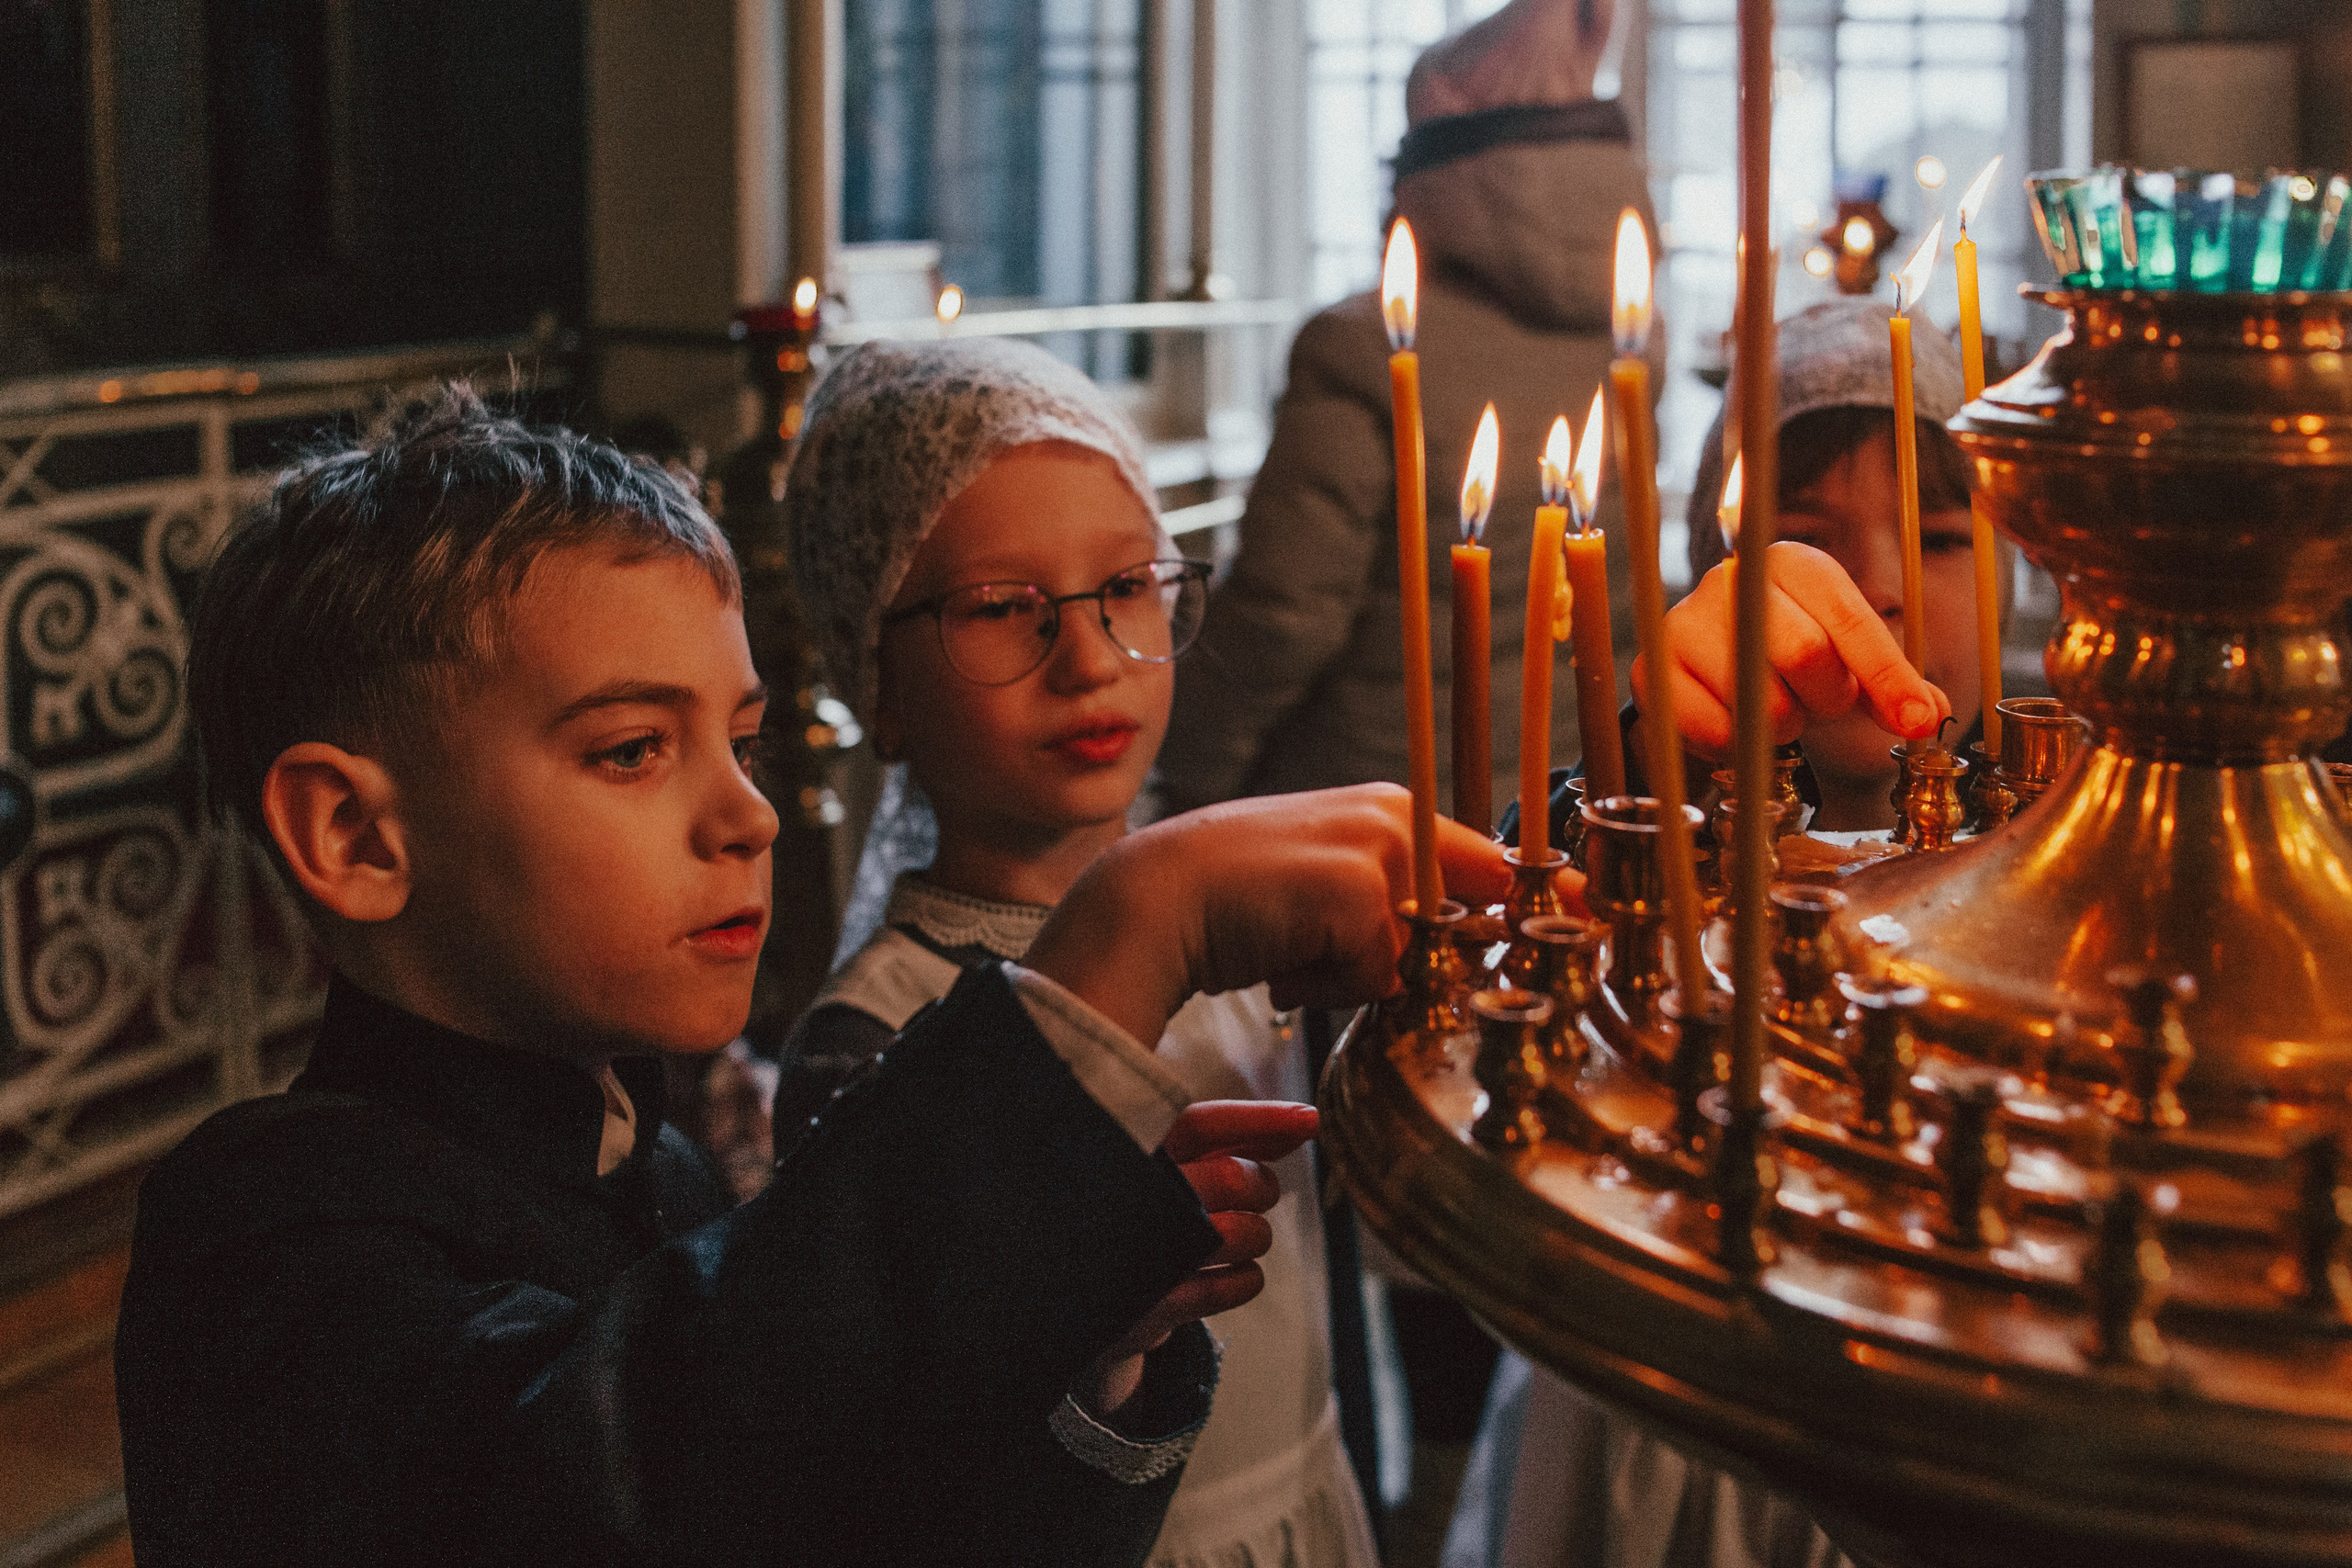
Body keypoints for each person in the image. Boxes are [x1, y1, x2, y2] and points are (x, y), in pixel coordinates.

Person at [114, 385, 1512, 1568]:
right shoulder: (270, 1234)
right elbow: (622, 1486)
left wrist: (1086, 1353)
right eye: (629, 750)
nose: (750, 814)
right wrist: (1123, 935)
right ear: (359, 834)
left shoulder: (650, 1165)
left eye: (741, 739)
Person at [779, 336, 1383, 1568]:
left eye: (1126, 586)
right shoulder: (875, 1035)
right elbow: (906, 1431)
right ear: (878, 682)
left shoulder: (1248, 921)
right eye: (1004, 607)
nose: (1093, 657)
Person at [1445, 298, 1973, 1568]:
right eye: (1804, 541)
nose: (1883, 591)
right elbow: (1496, 996)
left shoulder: (2087, 825)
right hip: (1657, 1425)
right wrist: (1659, 756)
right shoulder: (1631, 824)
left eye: (1947, 538)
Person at [1154, 0, 1657, 822]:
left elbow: (1280, 620)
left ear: (1432, 164)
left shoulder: (1360, 348)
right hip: (1566, 802)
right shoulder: (1632, 337)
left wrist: (1183, 775)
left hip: (1377, 817)